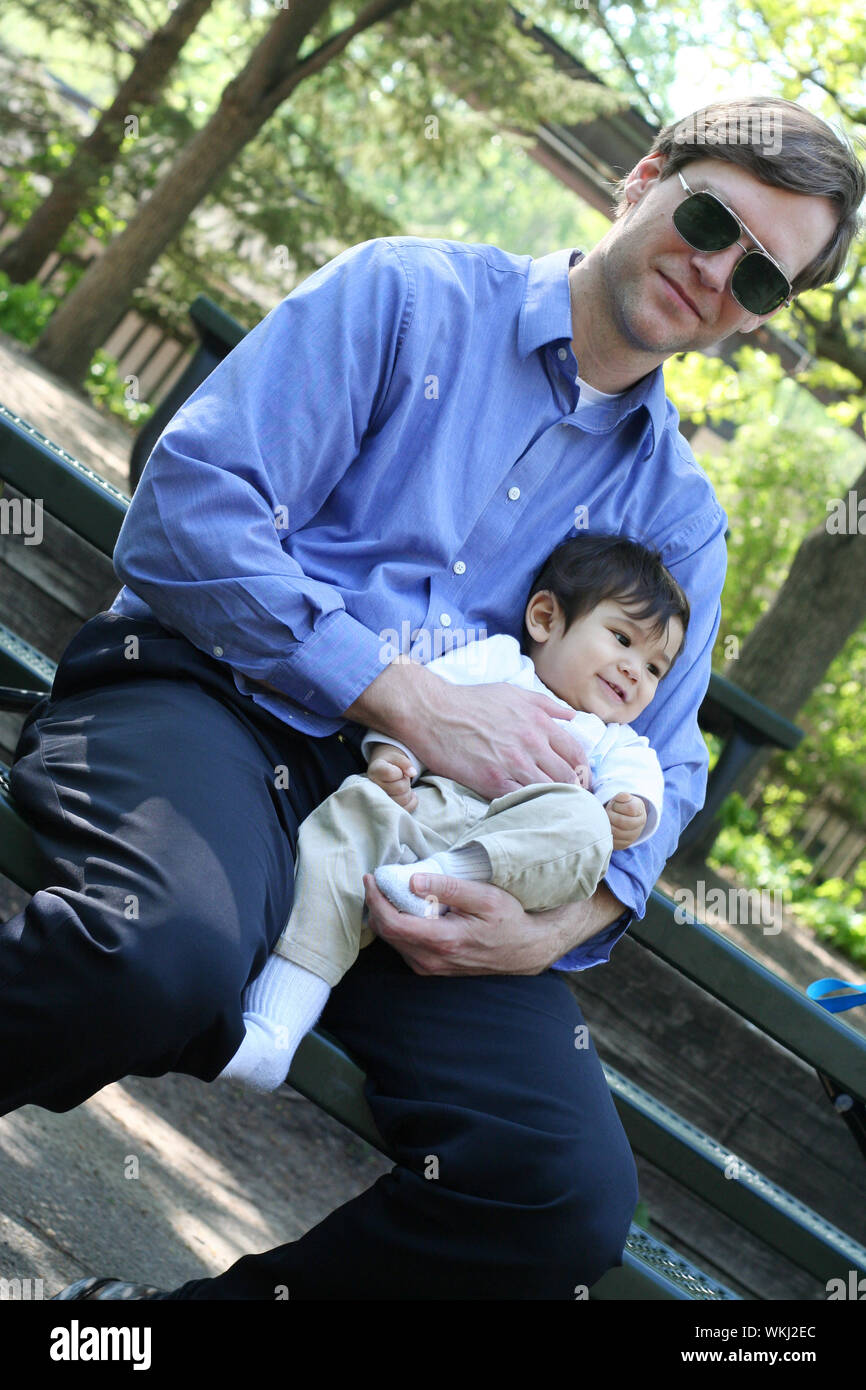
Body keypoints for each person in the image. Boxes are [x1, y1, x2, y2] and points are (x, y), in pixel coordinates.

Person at [5, 93, 859, 1301]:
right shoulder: (404, 294)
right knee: (156, 960)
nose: (715, 272)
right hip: (217, 709)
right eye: (708, 218)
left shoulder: (681, 521)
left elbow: (664, 772)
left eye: (762, 280)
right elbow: (191, 506)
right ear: (643, 177)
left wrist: (558, 923)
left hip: (452, 852)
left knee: (559, 1195)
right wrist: (399, 692)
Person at [220, 532, 688, 1094]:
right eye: (621, 638)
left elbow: (642, 790)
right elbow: (426, 707)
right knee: (350, 816)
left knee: (584, 827)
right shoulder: (495, 662)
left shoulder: (615, 743)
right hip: (427, 812)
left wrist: (629, 811)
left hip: (503, 868)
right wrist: (394, 759)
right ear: (545, 618)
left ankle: (442, 881)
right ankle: (275, 1027)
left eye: (656, 667)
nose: (635, 670)